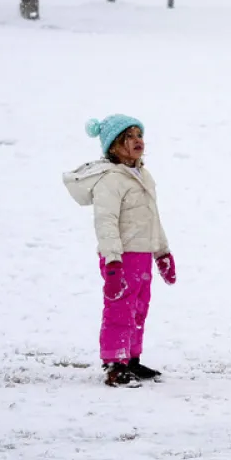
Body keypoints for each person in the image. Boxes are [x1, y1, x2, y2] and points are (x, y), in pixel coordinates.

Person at [63, 114, 176, 387]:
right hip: (121, 257)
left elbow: (152, 217)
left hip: (142, 254)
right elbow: (106, 223)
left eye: (140, 135)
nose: (138, 140)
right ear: (114, 145)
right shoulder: (110, 180)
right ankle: (115, 364)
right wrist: (112, 261)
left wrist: (162, 252)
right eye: (130, 136)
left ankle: (131, 359)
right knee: (119, 310)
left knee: (138, 308)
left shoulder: (143, 175)